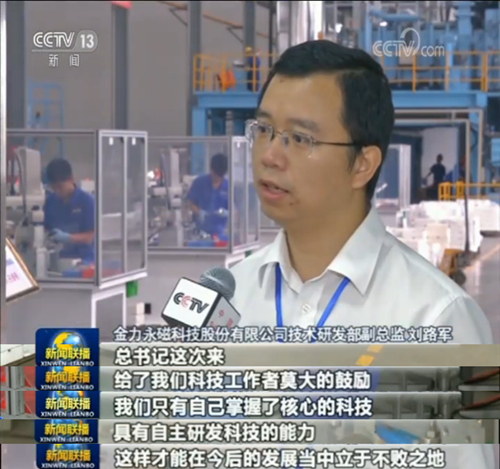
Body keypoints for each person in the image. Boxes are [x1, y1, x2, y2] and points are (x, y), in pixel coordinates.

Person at [230, 40, 492, 344]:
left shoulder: (438, 319)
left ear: (362, 165)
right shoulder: (230, 297)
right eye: (264, 130)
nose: (269, 156)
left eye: (300, 138)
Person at [44, 158, 95, 262]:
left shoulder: (87, 202)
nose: (57, 191)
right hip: (58, 259)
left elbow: (90, 236)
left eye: (60, 187)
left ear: (71, 179)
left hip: (84, 260)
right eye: (54, 188)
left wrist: (68, 238)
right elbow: (45, 229)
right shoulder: (50, 201)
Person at [187, 153, 229, 237]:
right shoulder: (199, 182)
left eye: (220, 176)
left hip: (220, 232)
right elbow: (190, 203)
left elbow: (235, 210)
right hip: (199, 231)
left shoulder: (228, 186)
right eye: (216, 175)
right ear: (211, 170)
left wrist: (228, 213)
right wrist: (199, 212)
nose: (218, 179)